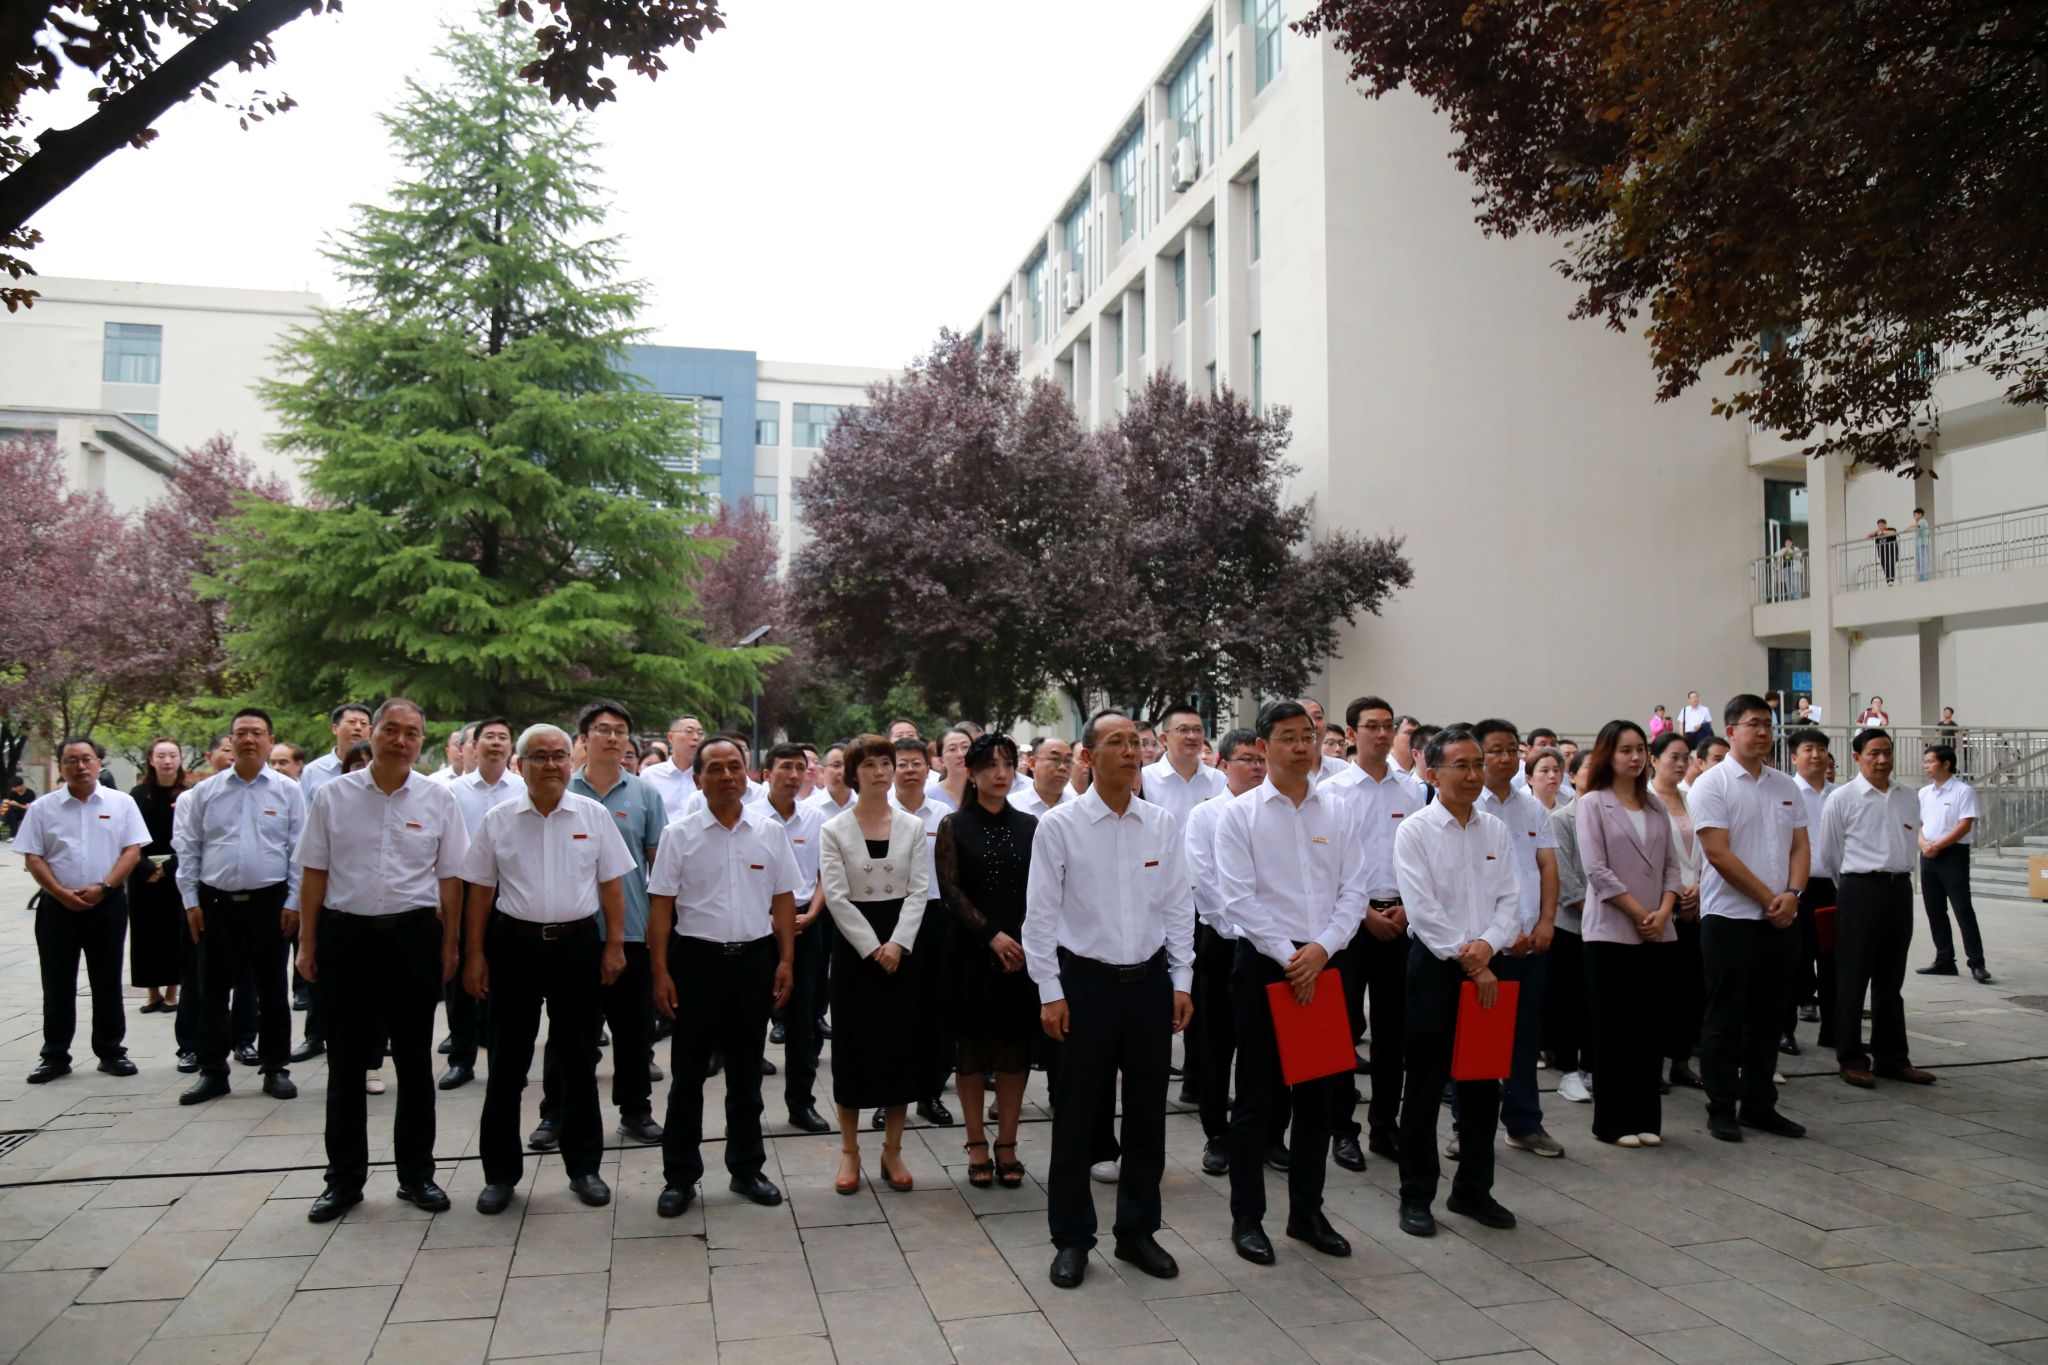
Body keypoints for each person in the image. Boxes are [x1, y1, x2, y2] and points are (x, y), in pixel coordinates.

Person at [1025, 709, 1194, 1290]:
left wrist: (1182, 980)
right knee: (1077, 1116)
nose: (1129, 751)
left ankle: (1138, 1231)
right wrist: (1050, 992)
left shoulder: (1161, 823)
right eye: (1115, 742)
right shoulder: (1060, 826)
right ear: (1087, 756)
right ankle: (1072, 1239)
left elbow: (1178, 907)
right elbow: (1039, 918)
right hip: (1084, 985)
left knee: (1148, 1115)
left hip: (1148, 985)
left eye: (1134, 743)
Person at [294, 699, 469, 1222]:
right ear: (372, 734)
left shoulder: (438, 799)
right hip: (346, 938)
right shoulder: (333, 795)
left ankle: (417, 1175)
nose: (400, 740)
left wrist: (452, 945)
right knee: (346, 1065)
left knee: (414, 1064)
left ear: (421, 741)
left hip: (413, 939)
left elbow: (451, 879)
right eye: (391, 729)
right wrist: (307, 943)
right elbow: (314, 871)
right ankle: (343, 1180)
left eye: (411, 733)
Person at [1214, 700, 1368, 1264]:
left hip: (1326, 964)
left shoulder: (1340, 810)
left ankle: (1307, 1212)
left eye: (1308, 735)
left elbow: (1355, 890)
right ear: (1264, 746)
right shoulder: (1240, 815)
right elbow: (1238, 899)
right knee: (1257, 1098)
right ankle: (1247, 1218)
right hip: (1265, 966)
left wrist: (1321, 950)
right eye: (1287, 737)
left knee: (1319, 1099)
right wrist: (1290, 956)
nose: (1302, 746)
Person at [462, 723, 633, 1214]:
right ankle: (500, 1175)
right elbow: (480, 892)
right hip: (513, 947)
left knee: (578, 1061)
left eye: (559, 755)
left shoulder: (593, 815)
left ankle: (584, 1168)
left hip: (577, 947)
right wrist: (474, 955)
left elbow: (611, 885)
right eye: (539, 756)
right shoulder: (499, 819)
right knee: (507, 1065)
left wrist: (614, 945)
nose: (552, 764)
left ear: (569, 760)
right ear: (520, 766)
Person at [646, 735, 800, 1217]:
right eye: (715, 768)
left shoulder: (768, 832)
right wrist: (659, 971)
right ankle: (679, 1177)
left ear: (747, 773)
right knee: (688, 1076)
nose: (727, 775)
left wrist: (786, 960)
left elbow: (783, 899)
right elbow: (661, 907)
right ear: (698, 779)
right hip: (696, 963)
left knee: (747, 1074)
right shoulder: (679, 835)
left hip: (754, 961)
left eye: (735, 766)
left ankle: (747, 1168)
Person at [1392, 727, 1521, 1238]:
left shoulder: (1496, 831)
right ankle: (1416, 1194)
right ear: (1432, 774)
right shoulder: (1415, 831)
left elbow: (1511, 899)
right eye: (1460, 765)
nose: (1472, 775)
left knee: (1483, 1085)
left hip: (1488, 966)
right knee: (1425, 1086)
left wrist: (1488, 946)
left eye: (1477, 764)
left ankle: (1473, 1189)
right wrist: (1471, 959)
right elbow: (1422, 910)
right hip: (1436, 969)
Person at [538, 701, 670, 1147]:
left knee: (634, 1031)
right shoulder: (562, 787)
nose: (612, 738)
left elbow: (659, 867)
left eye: (620, 731)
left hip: (631, 929)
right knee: (567, 1031)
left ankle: (636, 1111)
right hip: (572, 932)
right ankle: (555, 1115)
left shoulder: (645, 794)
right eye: (602, 729)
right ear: (583, 739)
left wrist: (658, 927)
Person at [1688, 693, 1810, 1144]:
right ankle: (1721, 1106)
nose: (1762, 732)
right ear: (1731, 730)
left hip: (1780, 918)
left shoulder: (1785, 785)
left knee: (1769, 1016)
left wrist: (1793, 894)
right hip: (1730, 918)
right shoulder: (1712, 784)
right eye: (1753, 724)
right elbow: (1717, 853)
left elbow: (1800, 845)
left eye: (1767, 724)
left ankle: (1760, 1105)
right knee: (1725, 1018)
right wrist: (1769, 898)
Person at [174, 709, 307, 1105]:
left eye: (257, 733)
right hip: (215, 902)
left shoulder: (288, 791)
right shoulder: (207, 792)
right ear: (230, 741)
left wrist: (294, 902)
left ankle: (275, 1068)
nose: (249, 739)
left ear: (270, 740)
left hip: (270, 903)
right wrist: (190, 901)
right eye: (241, 733)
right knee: (212, 991)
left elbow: (299, 851)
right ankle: (213, 1071)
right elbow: (189, 848)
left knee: (272, 989)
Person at [817, 735, 927, 1192]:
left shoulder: (912, 826)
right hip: (854, 949)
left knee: (899, 1048)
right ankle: (850, 1152)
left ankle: (893, 1150)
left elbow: (919, 890)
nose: (880, 772)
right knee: (852, 1050)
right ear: (853, 773)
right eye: (869, 765)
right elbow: (836, 896)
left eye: (886, 763)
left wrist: (897, 943)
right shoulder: (834, 829)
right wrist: (872, 947)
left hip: (901, 945)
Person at [935, 734, 1040, 1190]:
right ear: (972, 772)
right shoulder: (954, 825)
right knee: (972, 1054)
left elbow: (1041, 888)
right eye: (991, 765)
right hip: (970, 952)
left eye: (1008, 764)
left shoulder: (1031, 825)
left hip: (1021, 952)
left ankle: (1008, 1143)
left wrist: (1023, 939)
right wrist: (990, 935)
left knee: (1015, 1051)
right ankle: (976, 1142)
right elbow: (950, 889)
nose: (1001, 773)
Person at [1574, 721, 1682, 1149]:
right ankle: (1613, 1121)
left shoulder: (1654, 805)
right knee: (1614, 1029)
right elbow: (1596, 870)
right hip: (1611, 931)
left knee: (1650, 1026)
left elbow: (1672, 865)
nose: (1635, 758)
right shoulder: (1593, 804)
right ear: (1608, 754)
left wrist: (1664, 910)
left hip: (1658, 930)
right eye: (1625, 750)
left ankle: (1646, 1116)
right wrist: (1640, 912)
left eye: (1640, 749)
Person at [15, 737, 147, 1084]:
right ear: (62, 766)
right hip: (57, 907)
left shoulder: (121, 803)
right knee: (57, 981)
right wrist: (59, 892)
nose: (80, 766)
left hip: (107, 905)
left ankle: (111, 1051)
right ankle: (55, 1055)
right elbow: (33, 856)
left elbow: (132, 851)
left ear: (99, 763)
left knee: (107, 979)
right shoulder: (43, 808)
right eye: (71, 760)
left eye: (87, 759)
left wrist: (106, 888)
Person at [1326, 695, 1421, 1171]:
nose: (1382, 735)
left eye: (1388, 726)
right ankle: (1343, 1129)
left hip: (1401, 919)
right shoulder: (1333, 791)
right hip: (1350, 924)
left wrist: (1408, 907)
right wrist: (1364, 913)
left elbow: (1420, 856)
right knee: (1343, 1030)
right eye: (1371, 726)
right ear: (1351, 733)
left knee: (1393, 1031)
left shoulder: (1412, 790)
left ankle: (1386, 1124)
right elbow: (1329, 863)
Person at [1464, 719, 1563, 1160]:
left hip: (1532, 943)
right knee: (1478, 1042)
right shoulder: (1468, 807)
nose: (1504, 758)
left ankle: (1524, 1123)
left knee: (1525, 1039)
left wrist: (1546, 922)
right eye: (1495, 750)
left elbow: (1547, 867)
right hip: (1486, 947)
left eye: (1511, 750)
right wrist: (1501, 934)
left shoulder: (1533, 808)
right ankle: (1466, 1128)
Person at [1816, 730, 1937, 1089]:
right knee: (1853, 978)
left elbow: (1909, 843)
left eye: (1887, 752)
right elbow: (1830, 853)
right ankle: (1851, 1058)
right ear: (1857, 757)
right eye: (1873, 753)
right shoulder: (1842, 798)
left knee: (1891, 978)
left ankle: (1892, 1058)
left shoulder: (1908, 796)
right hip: (1858, 889)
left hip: (1898, 889)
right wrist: (1853, 887)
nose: (1882, 760)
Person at [1184, 727, 1265, 1175]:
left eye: (1261, 759)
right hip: (1223, 941)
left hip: (1270, 944)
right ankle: (1217, 1133)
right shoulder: (1205, 815)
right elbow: (1205, 883)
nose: (1256, 767)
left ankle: (1266, 1131)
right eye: (1247, 759)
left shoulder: (1277, 811)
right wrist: (1242, 927)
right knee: (1217, 1042)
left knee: (1266, 1042)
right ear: (1223, 765)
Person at [438, 717, 522, 1091]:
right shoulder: (453, 792)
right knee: (460, 977)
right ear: (472, 745)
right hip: (464, 889)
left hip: (509, 892)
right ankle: (461, 1058)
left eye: (503, 737)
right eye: (488, 736)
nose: (496, 742)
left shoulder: (522, 788)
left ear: (510, 747)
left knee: (504, 976)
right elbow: (440, 848)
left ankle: (503, 1059)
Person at [754, 742, 830, 1135]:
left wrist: (813, 913)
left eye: (800, 767)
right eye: (785, 766)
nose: (794, 775)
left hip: (805, 923)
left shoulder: (815, 819)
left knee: (804, 1020)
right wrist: (768, 916)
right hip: (758, 926)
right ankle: (747, 1109)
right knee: (752, 1017)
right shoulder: (749, 817)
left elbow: (825, 875)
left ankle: (802, 1104)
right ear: (767, 773)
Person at [884, 737, 957, 1127]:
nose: (910, 770)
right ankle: (888, 1096)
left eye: (916, 763)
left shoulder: (943, 813)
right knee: (893, 1009)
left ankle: (930, 1094)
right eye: (902, 763)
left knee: (936, 1009)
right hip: (891, 916)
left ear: (929, 768)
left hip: (935, 916)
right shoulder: (879, 811)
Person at [1647, 733, 1705, 1092]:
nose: (1681, 764)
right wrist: (1673, 893)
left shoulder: (1692, 798)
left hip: (1695, 908)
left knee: (1690, 990)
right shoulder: (1644, 801)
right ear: (1654, 760)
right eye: (1673, 757)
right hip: (1659, 907)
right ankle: (1652, 1063)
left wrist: (1699, 887)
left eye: (1686, 757)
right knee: (1659, 992)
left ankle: (1681, 1061)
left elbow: (1707, 850)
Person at [1917, 744, 1989, 983]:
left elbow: (1964, 825)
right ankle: (1944, 959)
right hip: (1928, 855)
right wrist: (1924, 844)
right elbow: (1918, 824)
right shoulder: (1924, 793)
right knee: (1934, 909)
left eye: (1930, 761)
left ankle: (1977, 962)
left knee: (1962, 909)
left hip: (1953, 855)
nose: (1926, 766)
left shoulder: (1963, 791)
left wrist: (1938, 845)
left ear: (1946, 764)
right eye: (1925, 762)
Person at [1786, 730, 1838, 1055]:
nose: (1816, 755)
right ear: (1794, 757)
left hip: (1834, 887)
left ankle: (1833, 1030)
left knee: (1833, 962)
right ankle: (1785, 1031)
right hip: (1797, 888)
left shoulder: (1840, 795)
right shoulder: (1786, 793)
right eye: (1808, 749)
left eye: (1821, 749)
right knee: (1795, 960)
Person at [130, 739, 188, 1016]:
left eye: (172, 755)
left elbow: (193, 837)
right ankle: (152, 992)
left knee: (175, 931)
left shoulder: (188, 794)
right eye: (161, 756)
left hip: (177, 870)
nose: (167, 761)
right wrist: (144, 867)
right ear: (151, 760)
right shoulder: (138, 794)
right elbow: (128, 835)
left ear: (180, 759)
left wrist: (170, 866)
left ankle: (172, 992)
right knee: (145, 933)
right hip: (142, 872)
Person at [1546, 753, 1592, 1104]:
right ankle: (1568, 1071)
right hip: (1572, 924)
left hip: (1608, 926)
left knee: (1596, 1001)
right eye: (1590, 768)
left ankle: (1592, 1066)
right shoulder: (1561, 819)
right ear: (1572, 777)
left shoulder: (1612, 817)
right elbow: (1567, 879)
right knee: (1568, 1000)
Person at [1141, 704, 1228, 829]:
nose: (1192, 736)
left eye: (1198, 730)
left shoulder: (1219, 780)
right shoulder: (1145, 779)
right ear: (1164, 739)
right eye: (1183, 730)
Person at [639, 714, 705, 819]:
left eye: (700, 733)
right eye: (689, 731)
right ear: (670, 737)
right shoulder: (650, 775)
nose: (696, 737)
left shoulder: (707, 776)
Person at [1011, 737, 1074, 817]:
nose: (1063, 767)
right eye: (1055, 759)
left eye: (1068, 761)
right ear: (1033, 763)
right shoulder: (1013, 805)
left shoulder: (1077, 807)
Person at [804, 742, 854, 818]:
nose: (843, 771)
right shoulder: (807, 808)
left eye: (848, 766)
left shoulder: (866, 806)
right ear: (823, 771)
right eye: (836, 765)